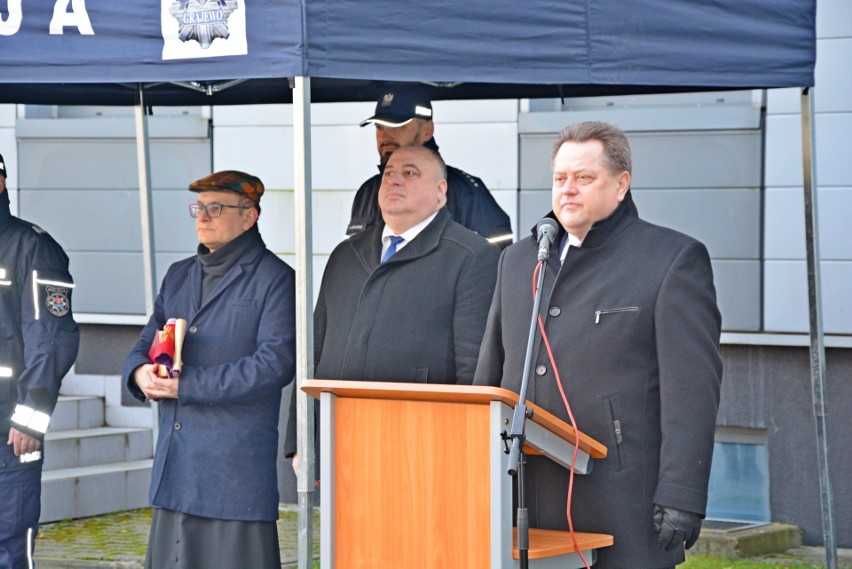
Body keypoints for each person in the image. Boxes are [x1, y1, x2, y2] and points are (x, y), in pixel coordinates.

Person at [473, 122, 723, 568]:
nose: (568, 190)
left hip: (618, 493)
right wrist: (473, 466)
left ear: (622, 184)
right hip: (521, 488)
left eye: (584, 178)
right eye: (559, 178)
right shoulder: (517, 260)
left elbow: (692, 393)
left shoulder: (671, 260)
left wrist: (682, 493)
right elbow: (490, 372)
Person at [285, 145, 500, 466]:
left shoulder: (471, 256)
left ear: (441, 191)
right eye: (388, 174)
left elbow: (475, 370)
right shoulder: (346, 254)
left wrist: (465, 449)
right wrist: (303, 438)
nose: (394, 181)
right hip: (340, 440)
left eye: (410, 173)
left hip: (422, 447)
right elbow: (314, 353)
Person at [123, 171, 296, 569]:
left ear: (249, 216)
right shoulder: (179, 274)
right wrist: (140, 375)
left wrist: (188, 386)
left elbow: (274, 364)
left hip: (232, 475)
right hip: (177, 468)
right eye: (199, 208)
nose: (203, 216)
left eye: (216, 208)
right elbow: (143, 346)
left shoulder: (276, 279)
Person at [0, 152, 80, 567]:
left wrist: (31, 415)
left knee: (9, 541)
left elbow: (51, 339)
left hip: (9, 432)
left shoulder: (33, 246)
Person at [347, 84, 514, 247]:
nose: (386, 135)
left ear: (427, 130)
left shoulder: (466, 193)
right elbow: (353, 262)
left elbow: (497, 264)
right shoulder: (367, 193)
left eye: (398, 126)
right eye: (379, 127)